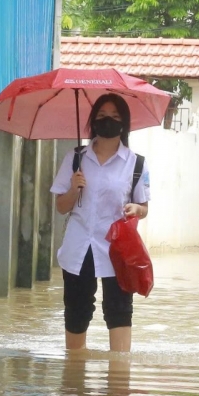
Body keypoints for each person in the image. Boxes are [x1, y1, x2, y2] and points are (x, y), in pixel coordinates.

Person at [51, 93, 150, 352]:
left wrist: (135, 208)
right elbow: (61, 207)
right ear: (93, 120)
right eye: (103, 116)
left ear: (124, 124)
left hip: (117, 248)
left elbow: (144, 208)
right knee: (77, 310)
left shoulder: (136, 163)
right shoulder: (75, 159)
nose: (108, 121)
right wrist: (73, 188)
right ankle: (73, 378)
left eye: (115, 117)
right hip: (79, 247)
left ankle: (118, 383)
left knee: (119, 310)